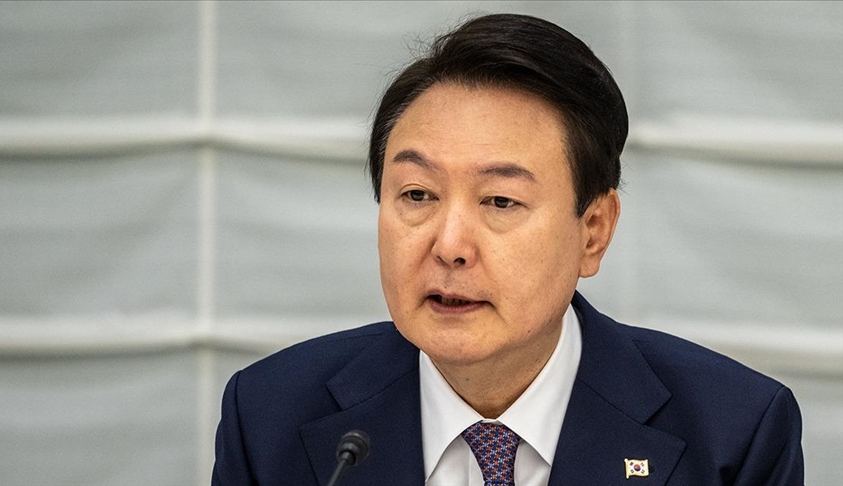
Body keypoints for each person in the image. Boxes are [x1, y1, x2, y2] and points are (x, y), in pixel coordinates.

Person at [212, 13, 803, 486]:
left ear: (593, 231)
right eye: (417, 194)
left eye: (499, 201)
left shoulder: (734, 435)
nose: (449, 246)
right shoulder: (268, 418)